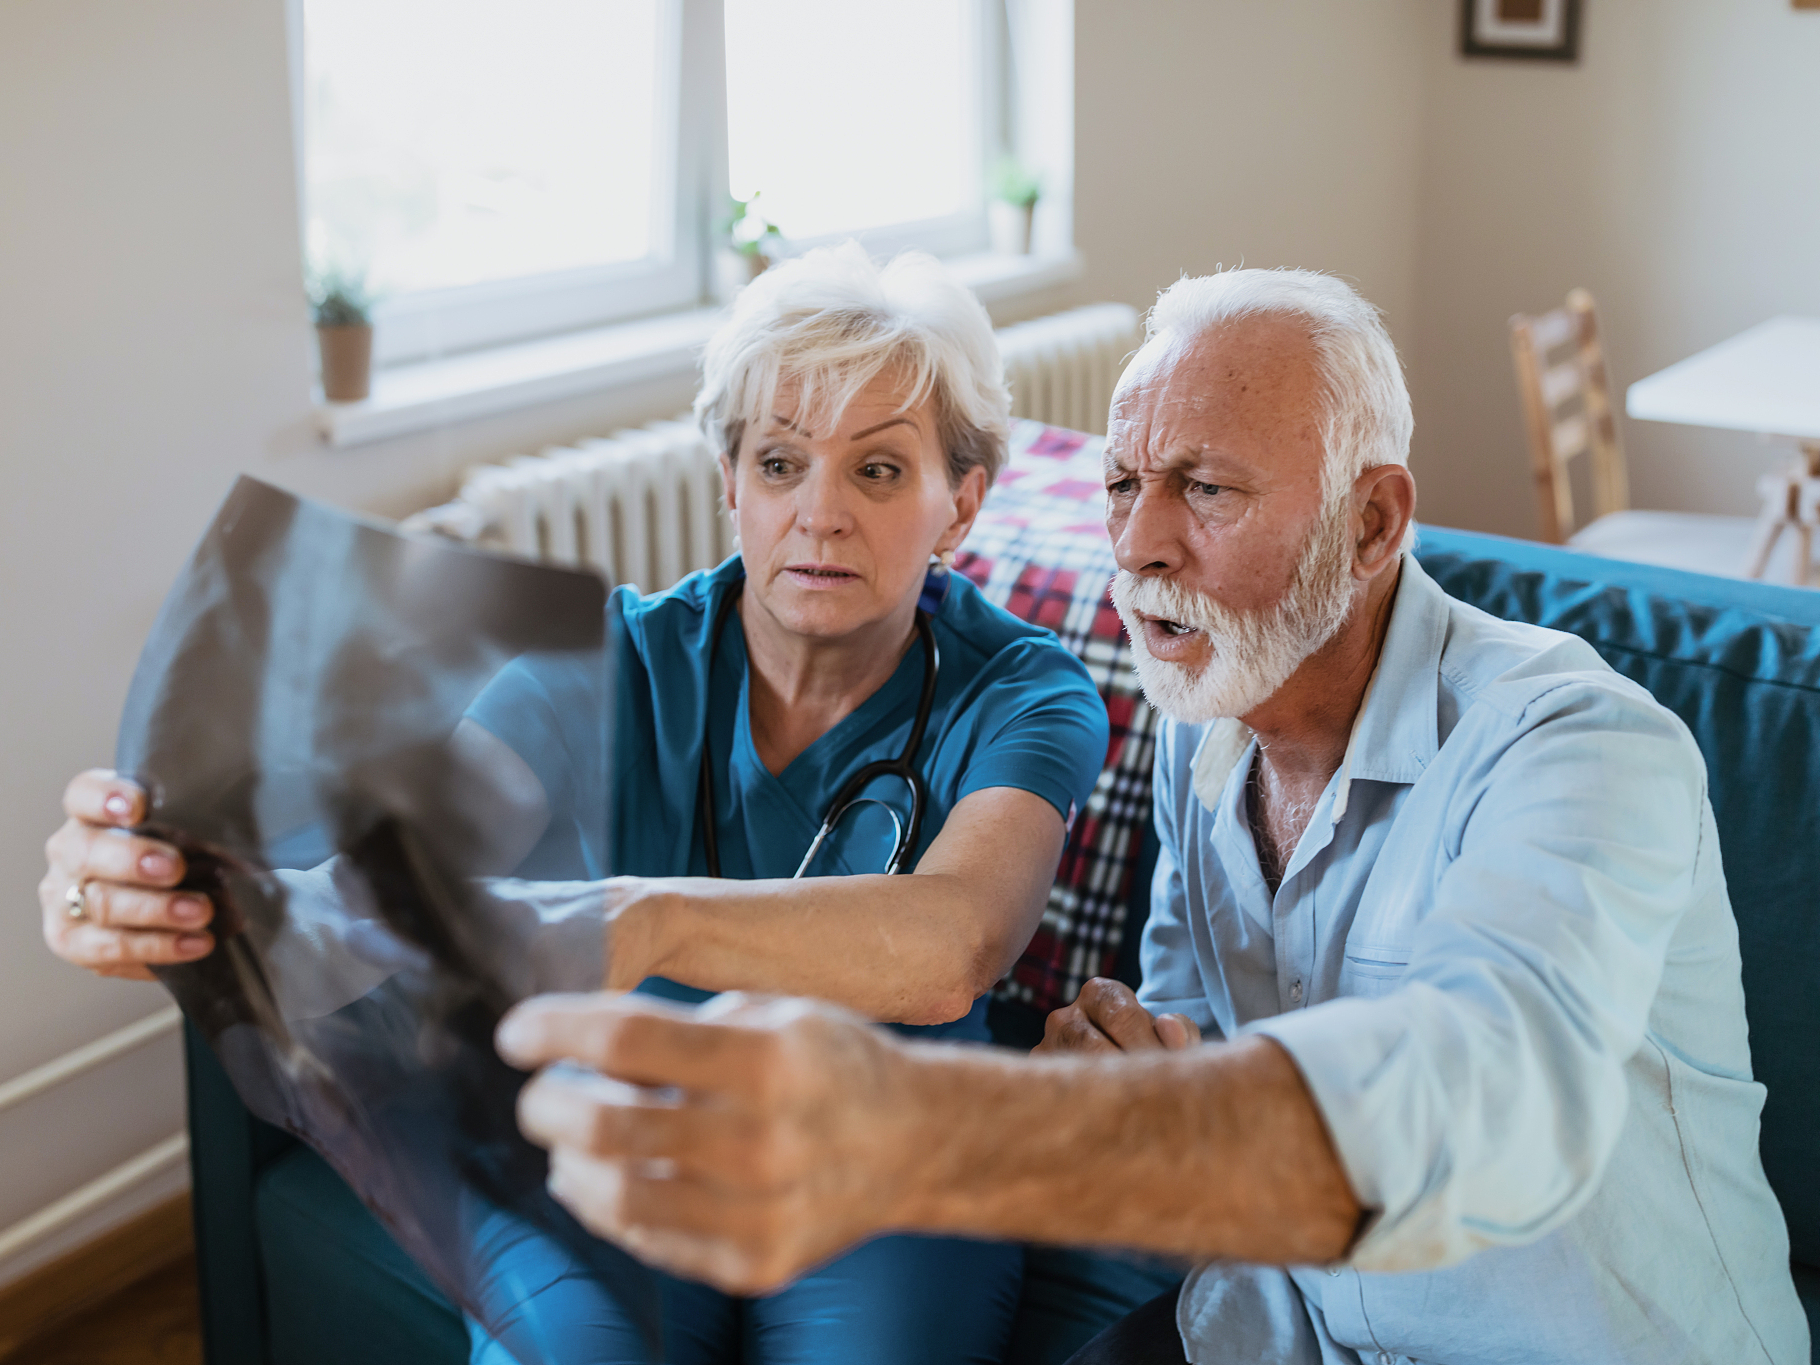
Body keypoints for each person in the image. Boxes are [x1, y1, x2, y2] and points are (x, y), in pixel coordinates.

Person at [494, 268, 1809, 1365]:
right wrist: (1115, 1062)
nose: (1138, 545)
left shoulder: (1577, 746)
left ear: (1371, 522)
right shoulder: (1202, 739)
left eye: (1206, 490)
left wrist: (948, 1124)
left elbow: (1483, 1093)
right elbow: (1180, 1045)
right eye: (1124, 486)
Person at [39, 243, 1149, 1364]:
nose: (818, 515)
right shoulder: (600, 665)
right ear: (728, 483)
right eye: (777, 463)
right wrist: (174, 907)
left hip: (887, 1125)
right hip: (621, 1106)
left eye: (875, 471)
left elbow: (953, 944)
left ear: (958, 503)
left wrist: (654, 917)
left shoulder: (1019, 688)